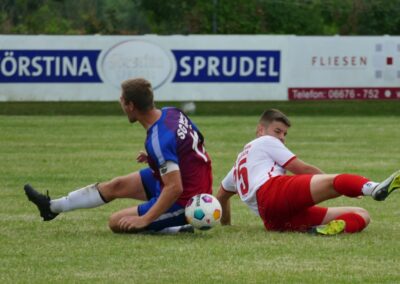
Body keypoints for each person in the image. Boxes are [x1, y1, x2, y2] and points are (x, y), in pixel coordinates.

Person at [24, 78, 213, 234]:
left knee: (116, 221)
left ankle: (180, 228)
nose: (121, 105)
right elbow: (193, 144)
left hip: (185, 200)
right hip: (186, 178)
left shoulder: (159, 141)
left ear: (131, 105)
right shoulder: (171, 112)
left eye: (122, 101)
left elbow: (174, 188)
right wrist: (157, 159)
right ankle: (51, 207)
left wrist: (144, 220)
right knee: (115, 185)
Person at [216, 109, 400, 235]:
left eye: (284, 134)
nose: (281, 137)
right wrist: (341, 187)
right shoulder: (264, 141)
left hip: (273, 221)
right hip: (273, 192)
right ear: (260, 130)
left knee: (362, 214)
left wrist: (226, 225)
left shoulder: (237, 167)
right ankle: (373, 188)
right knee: (337, 179)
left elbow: (222, 197)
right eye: (277, 131)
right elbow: (302, 169)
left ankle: (324, 230)